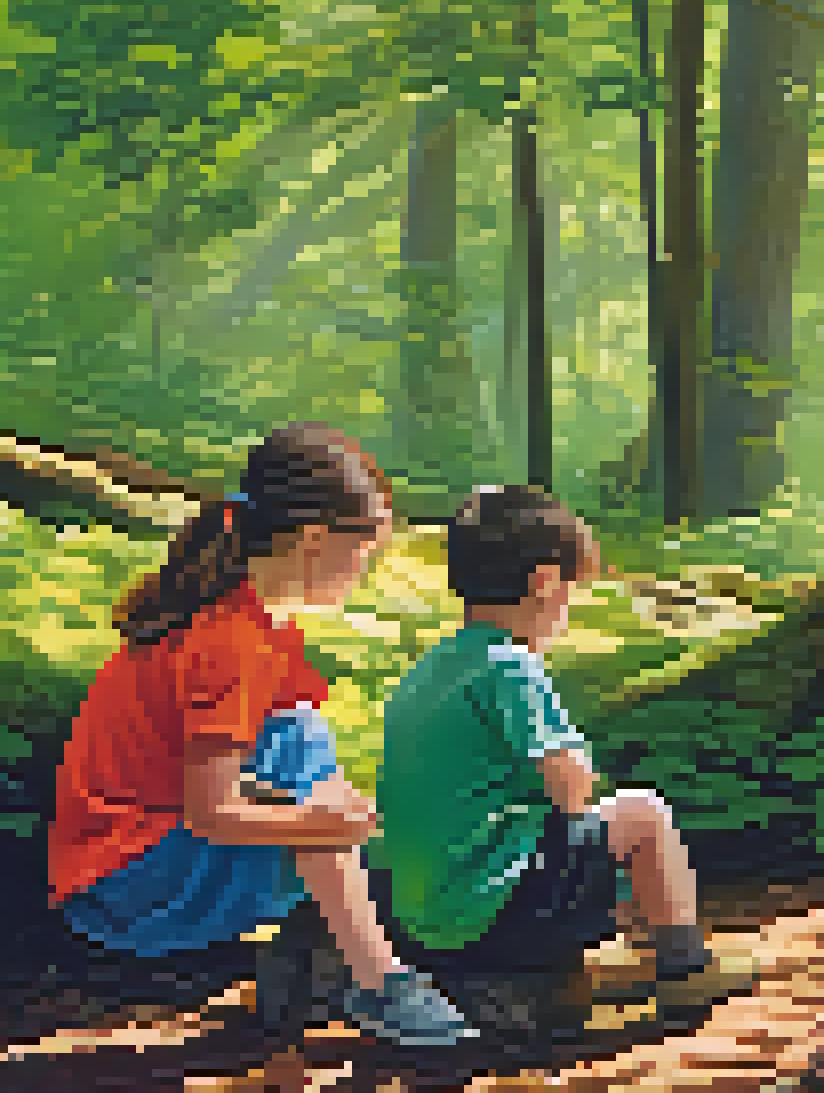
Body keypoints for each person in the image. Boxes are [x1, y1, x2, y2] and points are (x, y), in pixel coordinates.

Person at [48, 423, 475, 1045]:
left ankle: (368, 970)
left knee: (312, 769)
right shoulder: (232, 643)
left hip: (118, 871)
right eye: (365, 551)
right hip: (126, 883)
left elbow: (211, 779)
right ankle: (381, 982)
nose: (366, 570)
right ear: (313, 538)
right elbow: (210, 811)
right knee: (303, 745)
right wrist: (323, 822)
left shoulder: (239, 622)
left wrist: (320, 814)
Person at [371, 485, 756, 1025]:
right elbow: (572, 792)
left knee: (572, 840)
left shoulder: (428, 670)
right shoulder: (510, 666)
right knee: (641, 816)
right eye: (572, 594)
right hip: (495, 915)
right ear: (545, 583)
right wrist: (577, 772)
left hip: (422, 916)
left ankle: (626, 955)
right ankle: (685, 967)